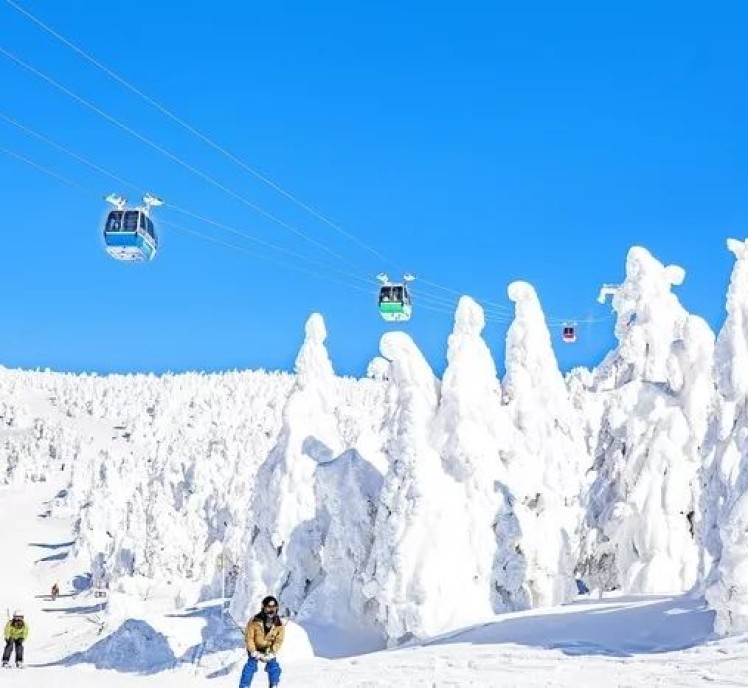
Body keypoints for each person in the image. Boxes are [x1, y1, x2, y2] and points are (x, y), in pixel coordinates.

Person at [238, 595, 285, 688]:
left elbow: (279, 640)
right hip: (255, 648)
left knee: (274, 667)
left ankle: (274, 684)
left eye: (274, 608)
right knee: (250, 666)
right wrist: (253, 652)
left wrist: (272, 652)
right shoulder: (254, 621)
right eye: (268, 607)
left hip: (268, 649)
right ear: (263, 608)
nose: (271, 610)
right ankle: (244, 686)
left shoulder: (279, 624)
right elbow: (249, 638)